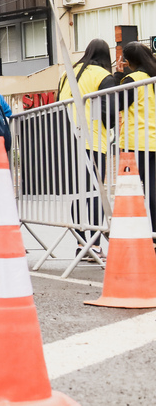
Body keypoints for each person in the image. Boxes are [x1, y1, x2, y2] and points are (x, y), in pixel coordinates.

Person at [57, 38, 119, 261]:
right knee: (94, 194)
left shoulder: (67, 74)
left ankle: (81, 244)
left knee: (77, 194)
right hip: (91, 142)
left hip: (66, 141)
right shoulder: (102, 76)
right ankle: (93, 246)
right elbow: (110, 112)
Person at [119, 42, 156, 240]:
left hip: (136, 142)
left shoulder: (132, 79)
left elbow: (118, 104)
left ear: (128, 61)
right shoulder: (153, 77)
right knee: (153, 191)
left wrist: (118, 77)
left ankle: (138, 235)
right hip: (153, 141)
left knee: (133, 191)